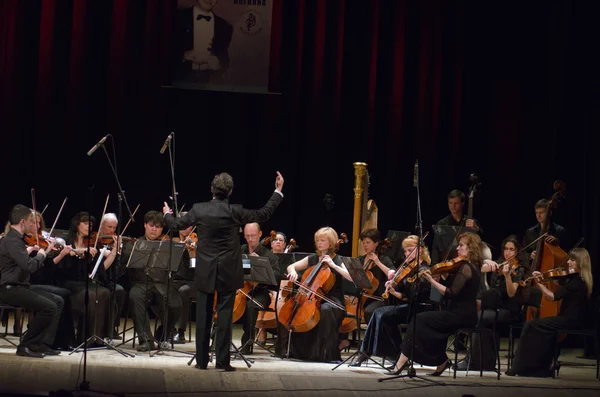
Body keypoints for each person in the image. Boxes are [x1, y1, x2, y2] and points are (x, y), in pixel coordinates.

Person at [163, 171, 284, 371]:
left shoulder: (199, 209)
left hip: (205, 271)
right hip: (228, 271)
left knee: (202, 316)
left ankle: (201, 362)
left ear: (211, 189)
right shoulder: (235, 211)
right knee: (225, 317)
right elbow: (263, 213)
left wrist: (167, 213)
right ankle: (222, 362)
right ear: (229, 192)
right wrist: (277, 192)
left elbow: (176, 224)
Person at [388, 232, 482, 376]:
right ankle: (441, 361)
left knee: (419, 319)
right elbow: (456, 287)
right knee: (427, 326)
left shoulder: (466, 267)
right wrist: (444, 276)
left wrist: (431, 281)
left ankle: (401, 362)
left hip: (461, 315)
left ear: (471, 248)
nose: (458, 248)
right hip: (458, 312)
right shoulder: (467, 266)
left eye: (462, 245)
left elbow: (451, 293)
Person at [506, 248, 592, 377]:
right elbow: (560, 285)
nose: (568, 262)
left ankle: (522, 367)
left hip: (571, 320)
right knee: (534, 326)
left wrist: (539, 284)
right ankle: (537, 366)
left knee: (531, 325)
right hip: (568, 319)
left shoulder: (577, 283)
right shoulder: (575, 279)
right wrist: (545, 280)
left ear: (580, 262)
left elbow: (553, 296)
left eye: (572, 260)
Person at [351, 235, 430, 367]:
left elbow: (411, 297)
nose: (407, 254)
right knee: (379, 313)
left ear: (420, 250)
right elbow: (404, 292)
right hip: (407, 306)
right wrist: (393, 286)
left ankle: (396, 356)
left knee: (382, 314)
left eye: (410, 250)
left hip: (419, 308)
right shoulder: (409, 268)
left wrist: (396, 293)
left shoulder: (423, 269)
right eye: (405, 251)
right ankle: (366, 352)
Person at [0, 204, 64, 357]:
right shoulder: (12, 241)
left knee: (58, 301)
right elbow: (29, 266)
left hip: (20, 286)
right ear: (23, 222)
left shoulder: (17, 240)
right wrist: (41, 255)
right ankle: (26, 345)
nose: (36, 226)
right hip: (9, 289)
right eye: (32, 222)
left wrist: (46, 251)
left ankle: (41, 344)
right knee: (49, 307)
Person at [283, 226, 354, 363]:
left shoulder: (338, 260)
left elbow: (351, 277)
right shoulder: (314, 258)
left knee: (325, 310)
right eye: (317, 240)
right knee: (295, 309)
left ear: (332, 242)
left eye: (323, 240)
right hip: (313, 297)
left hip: (334, 301)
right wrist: (293, 272)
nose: (319, 243)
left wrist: (333, 266)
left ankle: (326, 354)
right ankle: (301, 352)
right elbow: (291, 266)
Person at [456, 235, 527, 371]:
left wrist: (507, 276)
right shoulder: (499, 264)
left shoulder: (520, 269)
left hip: (510, 310)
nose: (508, 252)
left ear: (517, 251)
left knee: (481, 317)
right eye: (506, 248)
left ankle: (473, 360)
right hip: (494, 307)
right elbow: (476, 269)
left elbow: (512, 293)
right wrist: (486, 262)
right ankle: (484, 362)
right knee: (480, 316)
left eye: (512, 249)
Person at [121, 211, 182, 351]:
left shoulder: (168, 246)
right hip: (141, 284)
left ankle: (163, 333)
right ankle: (146, 340)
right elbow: (125, 262)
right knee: (135, 296)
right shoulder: (134, 243)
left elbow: (177, 267)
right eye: (151, 225)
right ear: (145, 225)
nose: (154, 229)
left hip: (162, 285)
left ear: (162, 229)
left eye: (158, 227)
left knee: (176, 304)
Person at [56, 212, 113, 346]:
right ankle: (84, 339)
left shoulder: (92, 243)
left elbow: (99, 269)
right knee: (92, 295)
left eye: (91, 224)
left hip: (83, 282)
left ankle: (96, 337)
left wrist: (113, 252)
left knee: (104, 292)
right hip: (67, 282)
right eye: (86, 223)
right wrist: (79, 251)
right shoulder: (67, 240)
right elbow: (61, 263)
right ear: (77, 224)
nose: (89, 226)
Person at [239, 222, 281, 353]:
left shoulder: (269, 255)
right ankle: (219, 340)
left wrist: (260, 266)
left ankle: (247, 341)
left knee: (251, 306)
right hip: (241, 289)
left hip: (261, 292)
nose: (250, 239)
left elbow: (277, 276)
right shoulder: (241, 250)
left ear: (260, 234)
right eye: (247, 236)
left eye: (253, 235)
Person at [177, 0, 233, 84]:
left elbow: (225, 59)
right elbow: (161, 53)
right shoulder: (177, 18)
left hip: (210, 85)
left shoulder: (225, 27)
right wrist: (184, 55)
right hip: (180, 83)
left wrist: (219, 65)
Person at [431, 190, 483, 264]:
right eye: (450, 203)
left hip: (466, 262)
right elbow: (436, 247)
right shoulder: (442, 223)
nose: (453, 206)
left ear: (462, 203)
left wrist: (476, 229)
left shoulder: (471, 222)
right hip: (447, 263)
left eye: (456, 203)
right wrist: (435, 265)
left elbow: (481, 243)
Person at [172, 218, 197, 344]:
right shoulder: (173, 242)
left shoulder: (197, 243)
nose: (185, 228)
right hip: (176, 280)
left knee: (183, 291)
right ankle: (169, 329)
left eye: (188, 226)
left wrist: (192, 254)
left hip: (194, 282)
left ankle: (181, 332)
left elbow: (195, 269)